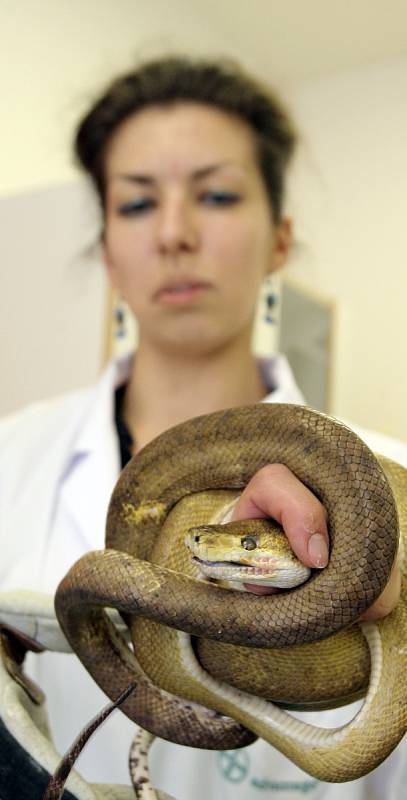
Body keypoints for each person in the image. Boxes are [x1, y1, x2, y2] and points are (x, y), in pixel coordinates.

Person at [0, 55, 405, 800]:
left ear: (278, 239)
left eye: (215, 195)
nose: (175, 234)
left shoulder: (391, 484)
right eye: (135, 205)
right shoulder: (7, 461)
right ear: (108, 255)